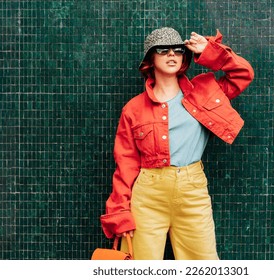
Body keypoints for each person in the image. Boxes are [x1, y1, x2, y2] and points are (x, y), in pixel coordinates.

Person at [100, 27, 254, 260]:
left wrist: (210, 51)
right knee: (140, 267)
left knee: (204, 267)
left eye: (178, 50)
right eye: (162, 50)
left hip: (193, 191)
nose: (171, 54)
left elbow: (243, 74)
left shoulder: (206, 91)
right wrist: (120, 212)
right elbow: (126, 163)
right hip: (148, 195)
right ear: (150, 59)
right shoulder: (133, 109)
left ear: (184, 57)